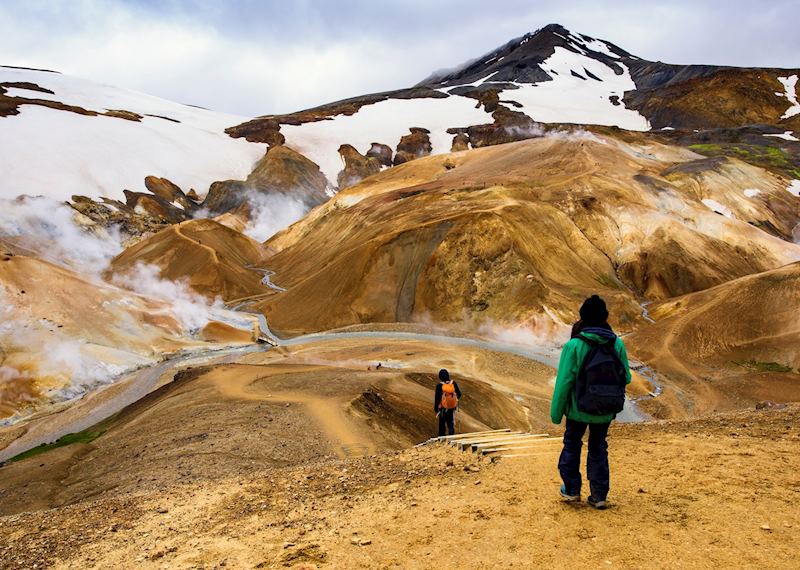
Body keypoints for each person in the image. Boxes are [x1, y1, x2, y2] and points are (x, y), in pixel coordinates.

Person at [550, 295, 631, 509]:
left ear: (582, 317)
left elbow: (564, 383)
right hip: (605, 410)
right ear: (604, 317)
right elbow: (627, 378)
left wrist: (556, 414)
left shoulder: (574, 345)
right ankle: (599, 495)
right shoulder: (617, 343)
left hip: (578, 410)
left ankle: (571, 490)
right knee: (598, 447)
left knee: (572, 444)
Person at [434, 369, 462, 437]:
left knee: (442, 425)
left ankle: (441, 439)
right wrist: (455, 400)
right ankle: (451, 437)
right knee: (450, 424)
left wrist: (436, 408)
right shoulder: (453, 383)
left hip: (442, 409)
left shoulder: (439, 386)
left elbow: (437, 398)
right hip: (451, 408)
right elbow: (459, 394)